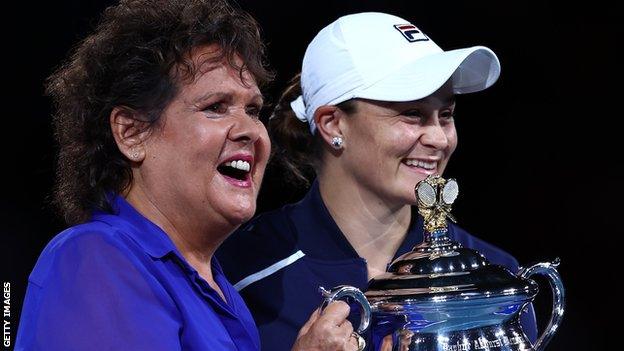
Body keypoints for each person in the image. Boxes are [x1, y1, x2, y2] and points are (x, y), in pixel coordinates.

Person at [15, 1, 359, 350]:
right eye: (215, 107)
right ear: (131, 133)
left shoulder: (218, 288)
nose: (250, 131)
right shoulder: (95, 259)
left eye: (253, 110)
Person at [217, 12, 539, 351]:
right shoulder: (239, 271)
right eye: (412, 113)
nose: (439, 139)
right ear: (332, 125)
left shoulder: (494, 276)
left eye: (445, 115)